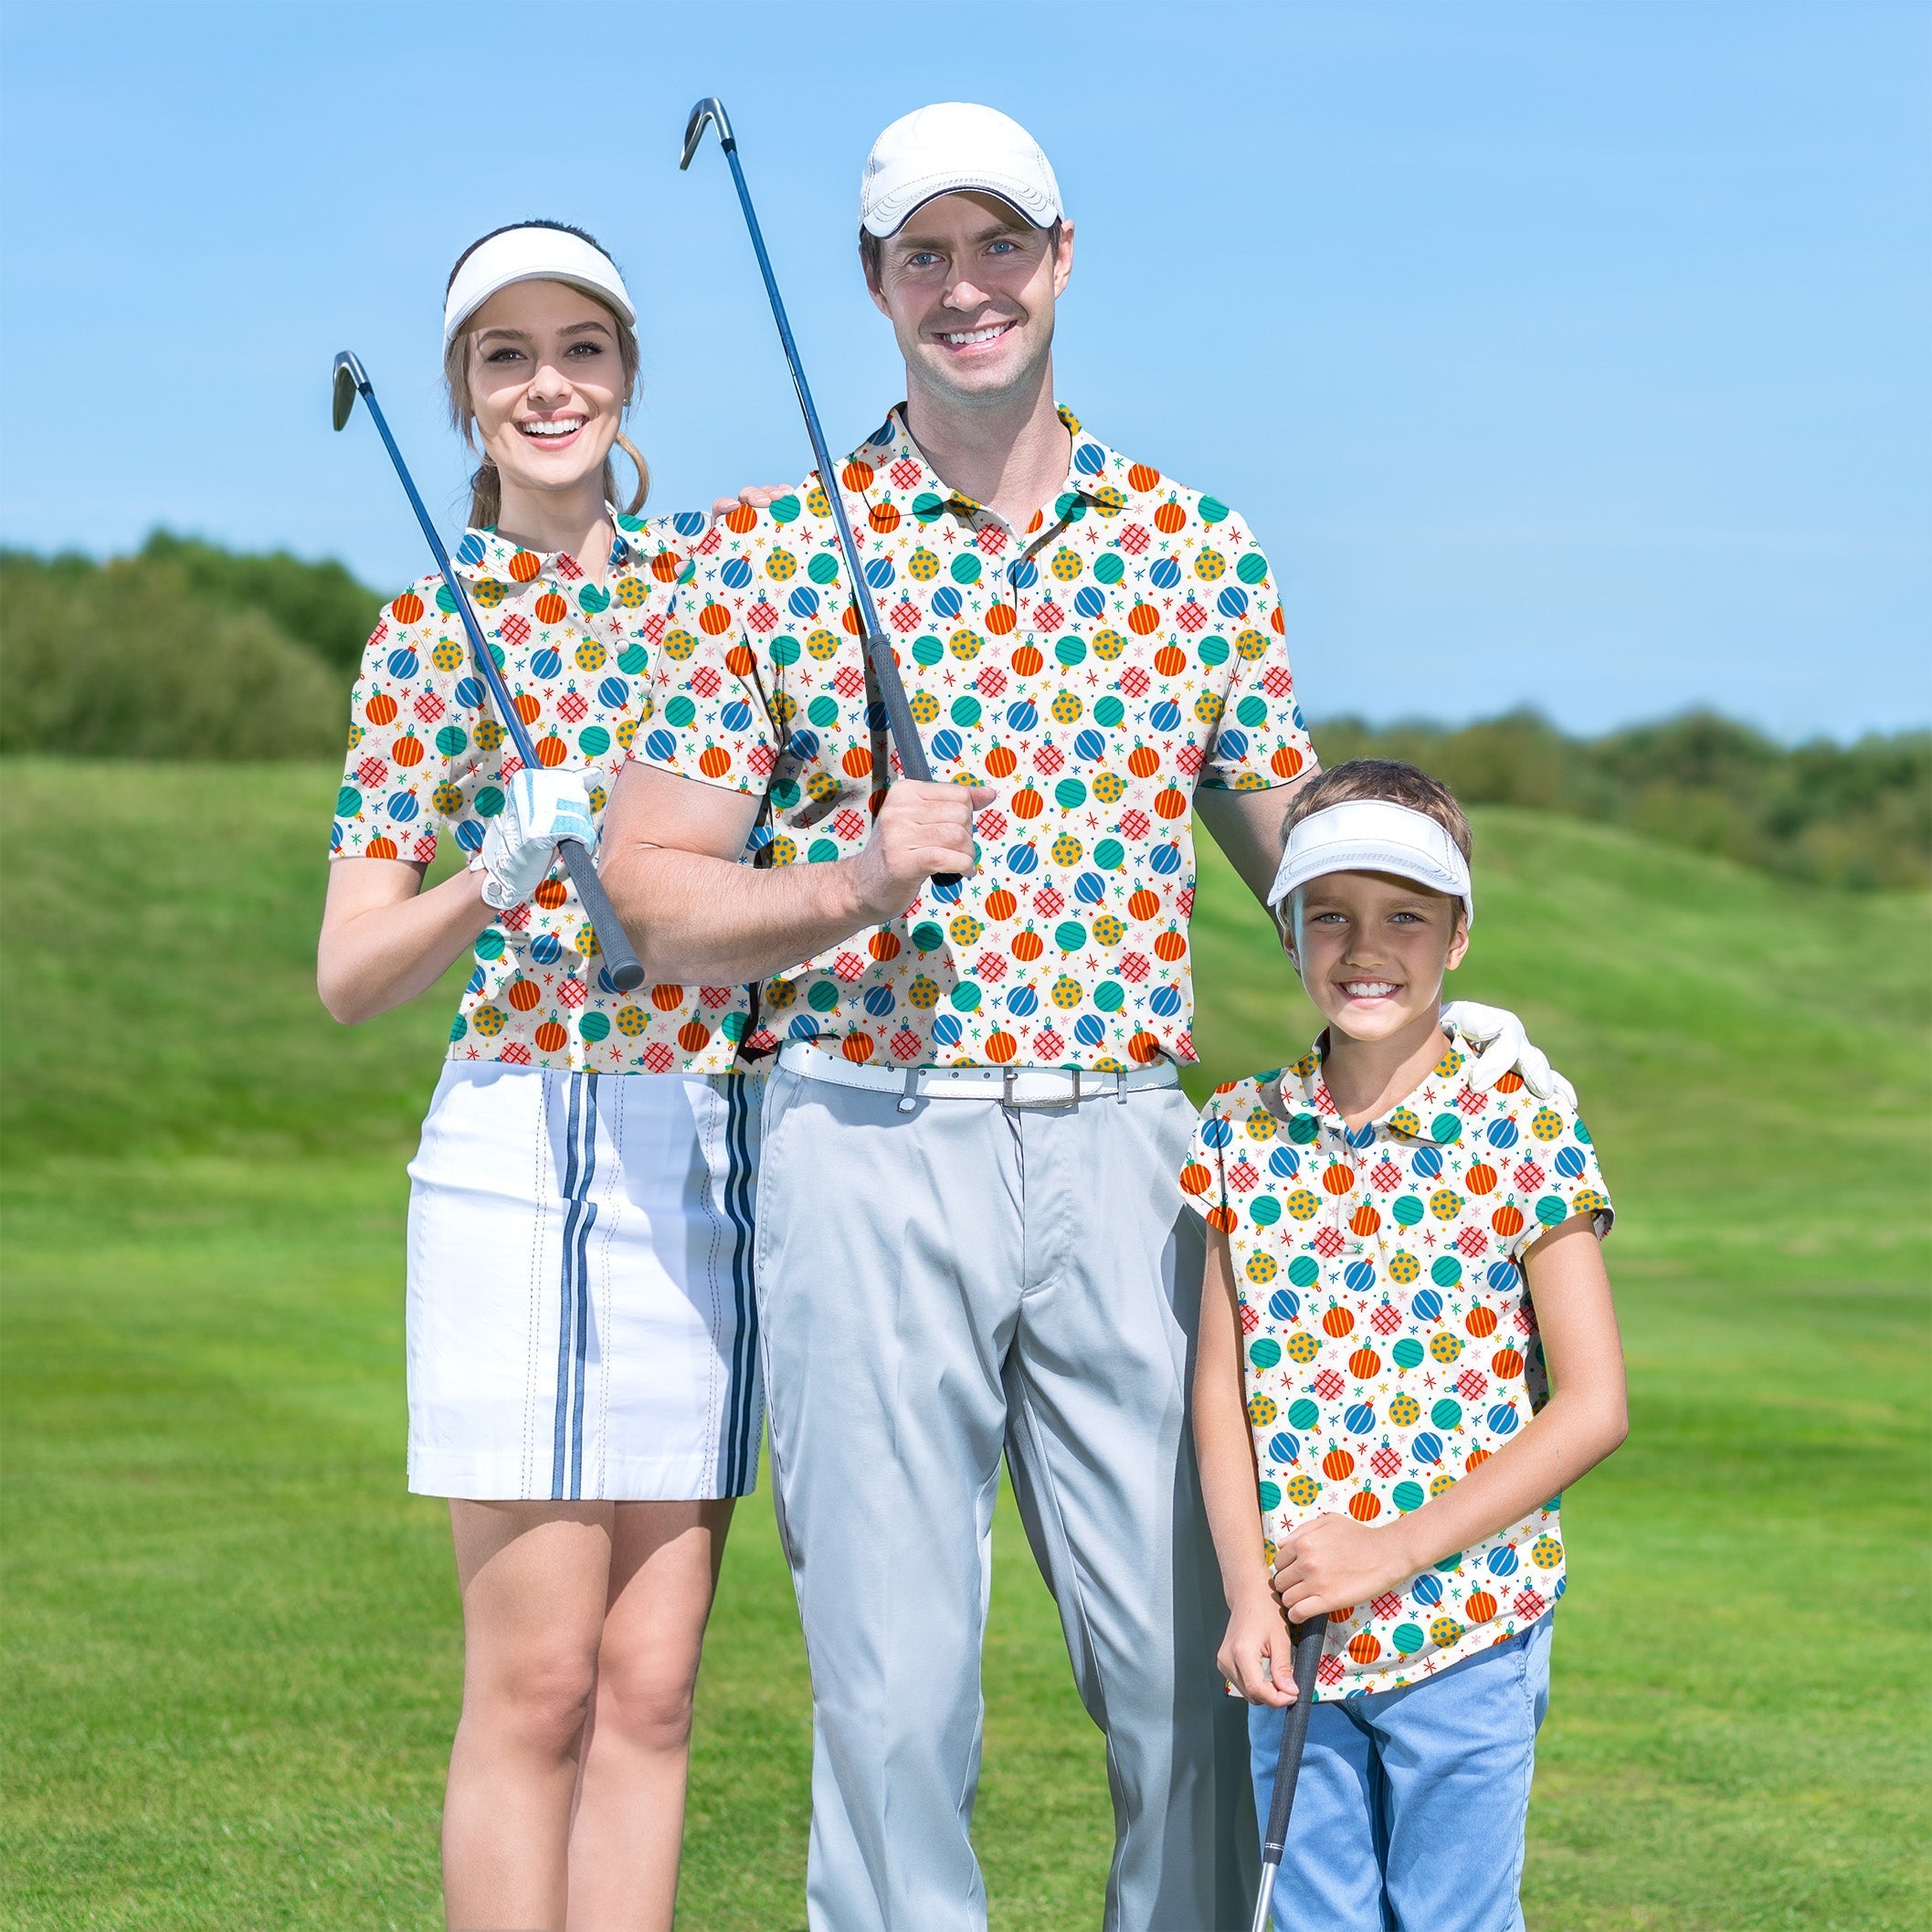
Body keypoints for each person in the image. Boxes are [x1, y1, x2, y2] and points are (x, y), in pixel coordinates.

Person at [601, 105, 1557, 1930]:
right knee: (894, 1700)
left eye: (999, 246)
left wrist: (1450, 1000)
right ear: (875, 286)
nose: (967, 289)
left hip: (1135, 1153)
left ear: (1060, 256)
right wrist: (843, 886)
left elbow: (1307, 863)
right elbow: (653, 888)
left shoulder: (1196, 549)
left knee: (1197, 1677)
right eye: (922, 256)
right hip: (865, 1134)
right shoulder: (764, 552)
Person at [317, 221, 761, 1932]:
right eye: (507, 356)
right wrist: (488, 875)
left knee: (652, 1688)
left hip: (697, 1160)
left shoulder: (719, 595)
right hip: (516, 1148)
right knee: (539, 1687)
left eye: (582, 346)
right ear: (463, 394)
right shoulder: (425, 633)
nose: (549, 382)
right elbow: (353, 973)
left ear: (628, 374)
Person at [1185, 759, 1630, 1932]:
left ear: (1457, 937)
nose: (1363, 946)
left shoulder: (1521, 1121)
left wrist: (1393, 1551)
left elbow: (1593, 1406)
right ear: (1287, 928)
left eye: (1404, 917)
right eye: (1328, 913)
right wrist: (1245, 1596)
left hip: (1467, 1620)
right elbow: (1219, 1398)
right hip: (1296, 1633)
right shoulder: (1239, 1131)